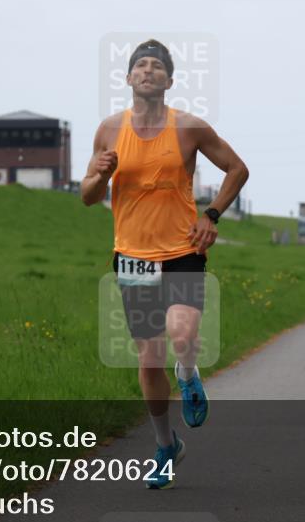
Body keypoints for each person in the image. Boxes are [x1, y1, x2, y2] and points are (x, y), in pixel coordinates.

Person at [82, 40, 249, 489]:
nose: (149, 70)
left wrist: (211, 214)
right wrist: (98, 173)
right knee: (149, 355)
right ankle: (164, 444)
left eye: (158, 66)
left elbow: (237, 169)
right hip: (132, 256)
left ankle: (190, 373)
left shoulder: (189, 127)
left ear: (170, 81)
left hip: (182, 250)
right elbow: (88, 196)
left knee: (182, 333)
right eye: (141, 65)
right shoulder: (109, 130)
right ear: (129, 78)